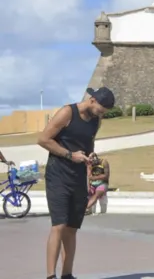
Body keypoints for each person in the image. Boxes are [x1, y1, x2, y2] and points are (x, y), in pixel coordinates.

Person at [37, 87, 115, 279]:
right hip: (58, 175)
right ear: (92, 100)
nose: (101, 114)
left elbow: (89, 143)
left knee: (72, 228)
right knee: (59, 226)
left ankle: (67, 274)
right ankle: (50, 276)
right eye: (101, 110)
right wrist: (70, 155)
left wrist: (90, 155)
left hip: (78, 177)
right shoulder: (67, 112)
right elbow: (43, 139)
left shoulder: (96, 119)